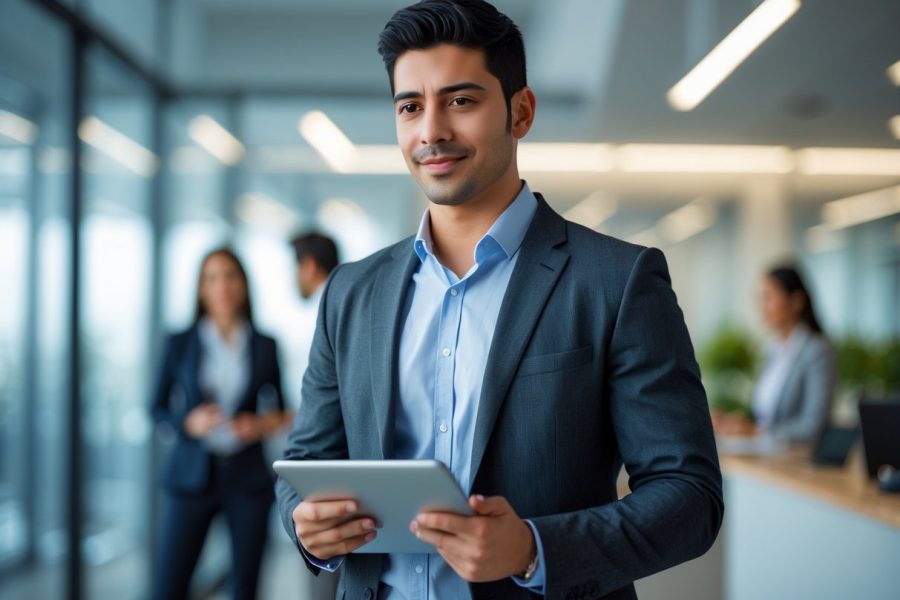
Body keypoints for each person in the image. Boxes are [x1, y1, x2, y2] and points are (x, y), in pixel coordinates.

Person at [276, 1, 723, 598]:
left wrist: (535, 549)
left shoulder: (617, 281)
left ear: (521, 111)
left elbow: (689, 496)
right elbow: (306, 464)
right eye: (410, 106)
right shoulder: (352, 293)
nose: (431, 130)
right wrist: (307, 528)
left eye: (460, 101)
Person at [151, 248, 290, 600]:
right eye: (211, 278)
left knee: (245, 587)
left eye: (230, 276)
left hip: (247, 479)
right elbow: (156, 408)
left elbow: (284, 412)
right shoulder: (180, 343)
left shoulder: (264, 345)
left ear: (243, 285)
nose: (222, 286)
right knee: (169, 585)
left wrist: (257, 425)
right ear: (201, 289)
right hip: (191, 476)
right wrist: (189, 422)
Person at [722, 265, 837, 443]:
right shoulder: (771, 351)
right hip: (766, 456)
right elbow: (766, 418)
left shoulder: (817, 351)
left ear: (796, 301)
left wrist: (757, 432)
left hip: (798, 463)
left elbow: (812, 426)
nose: (762, 305)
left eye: (768, 297)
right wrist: (738, 424)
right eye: (760, 297)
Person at [291, 231, 340, 301]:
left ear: (310, 266)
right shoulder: (341, 300)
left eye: (298, 267)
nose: (295, 277)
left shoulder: (317, 307)